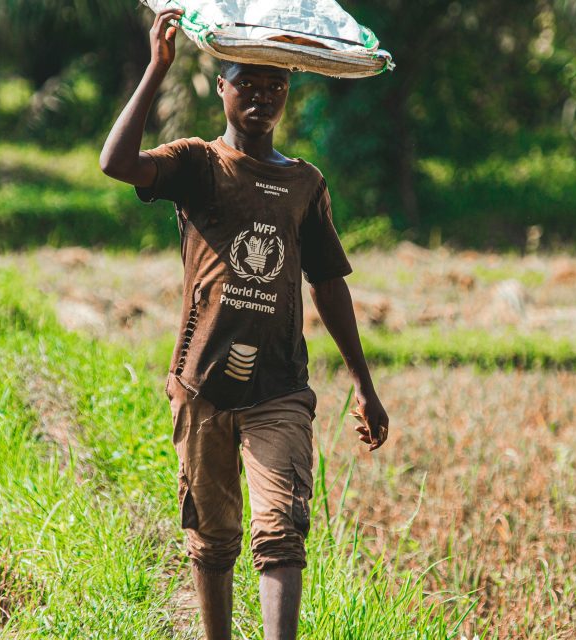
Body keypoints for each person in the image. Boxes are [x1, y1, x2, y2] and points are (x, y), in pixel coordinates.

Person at [99, 8, 391, 640]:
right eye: (247, 83)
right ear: (223, 87)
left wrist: (364, 384)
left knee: (282, 532)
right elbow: (117, 163)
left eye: (275, 86)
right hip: (202, 383)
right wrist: (156, 68)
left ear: (288, 94)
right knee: (212, 537)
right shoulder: (197, 163)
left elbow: (330, 284)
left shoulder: (304, 183)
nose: (261, 95)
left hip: (280, 389)